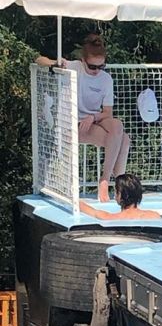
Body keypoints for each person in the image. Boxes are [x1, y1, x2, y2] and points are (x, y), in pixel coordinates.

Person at [36, 33, 130, 203]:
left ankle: (105, 180)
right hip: (74, 123)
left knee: (118, 127)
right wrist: (54, 64)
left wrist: (92, 117)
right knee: (124, 140)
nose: (96, 71)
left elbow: (107, 112)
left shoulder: (106, 79)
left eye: (101, 67)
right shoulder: (74, 67)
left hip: (94, 119)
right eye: (92, 67)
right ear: (83, 61)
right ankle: (119, 185)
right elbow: (38, 60)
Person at [78, 174, 160, 221]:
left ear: (120, 195)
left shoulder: (110, 218)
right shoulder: (154, 216)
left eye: (116, 191)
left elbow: (86, 208)